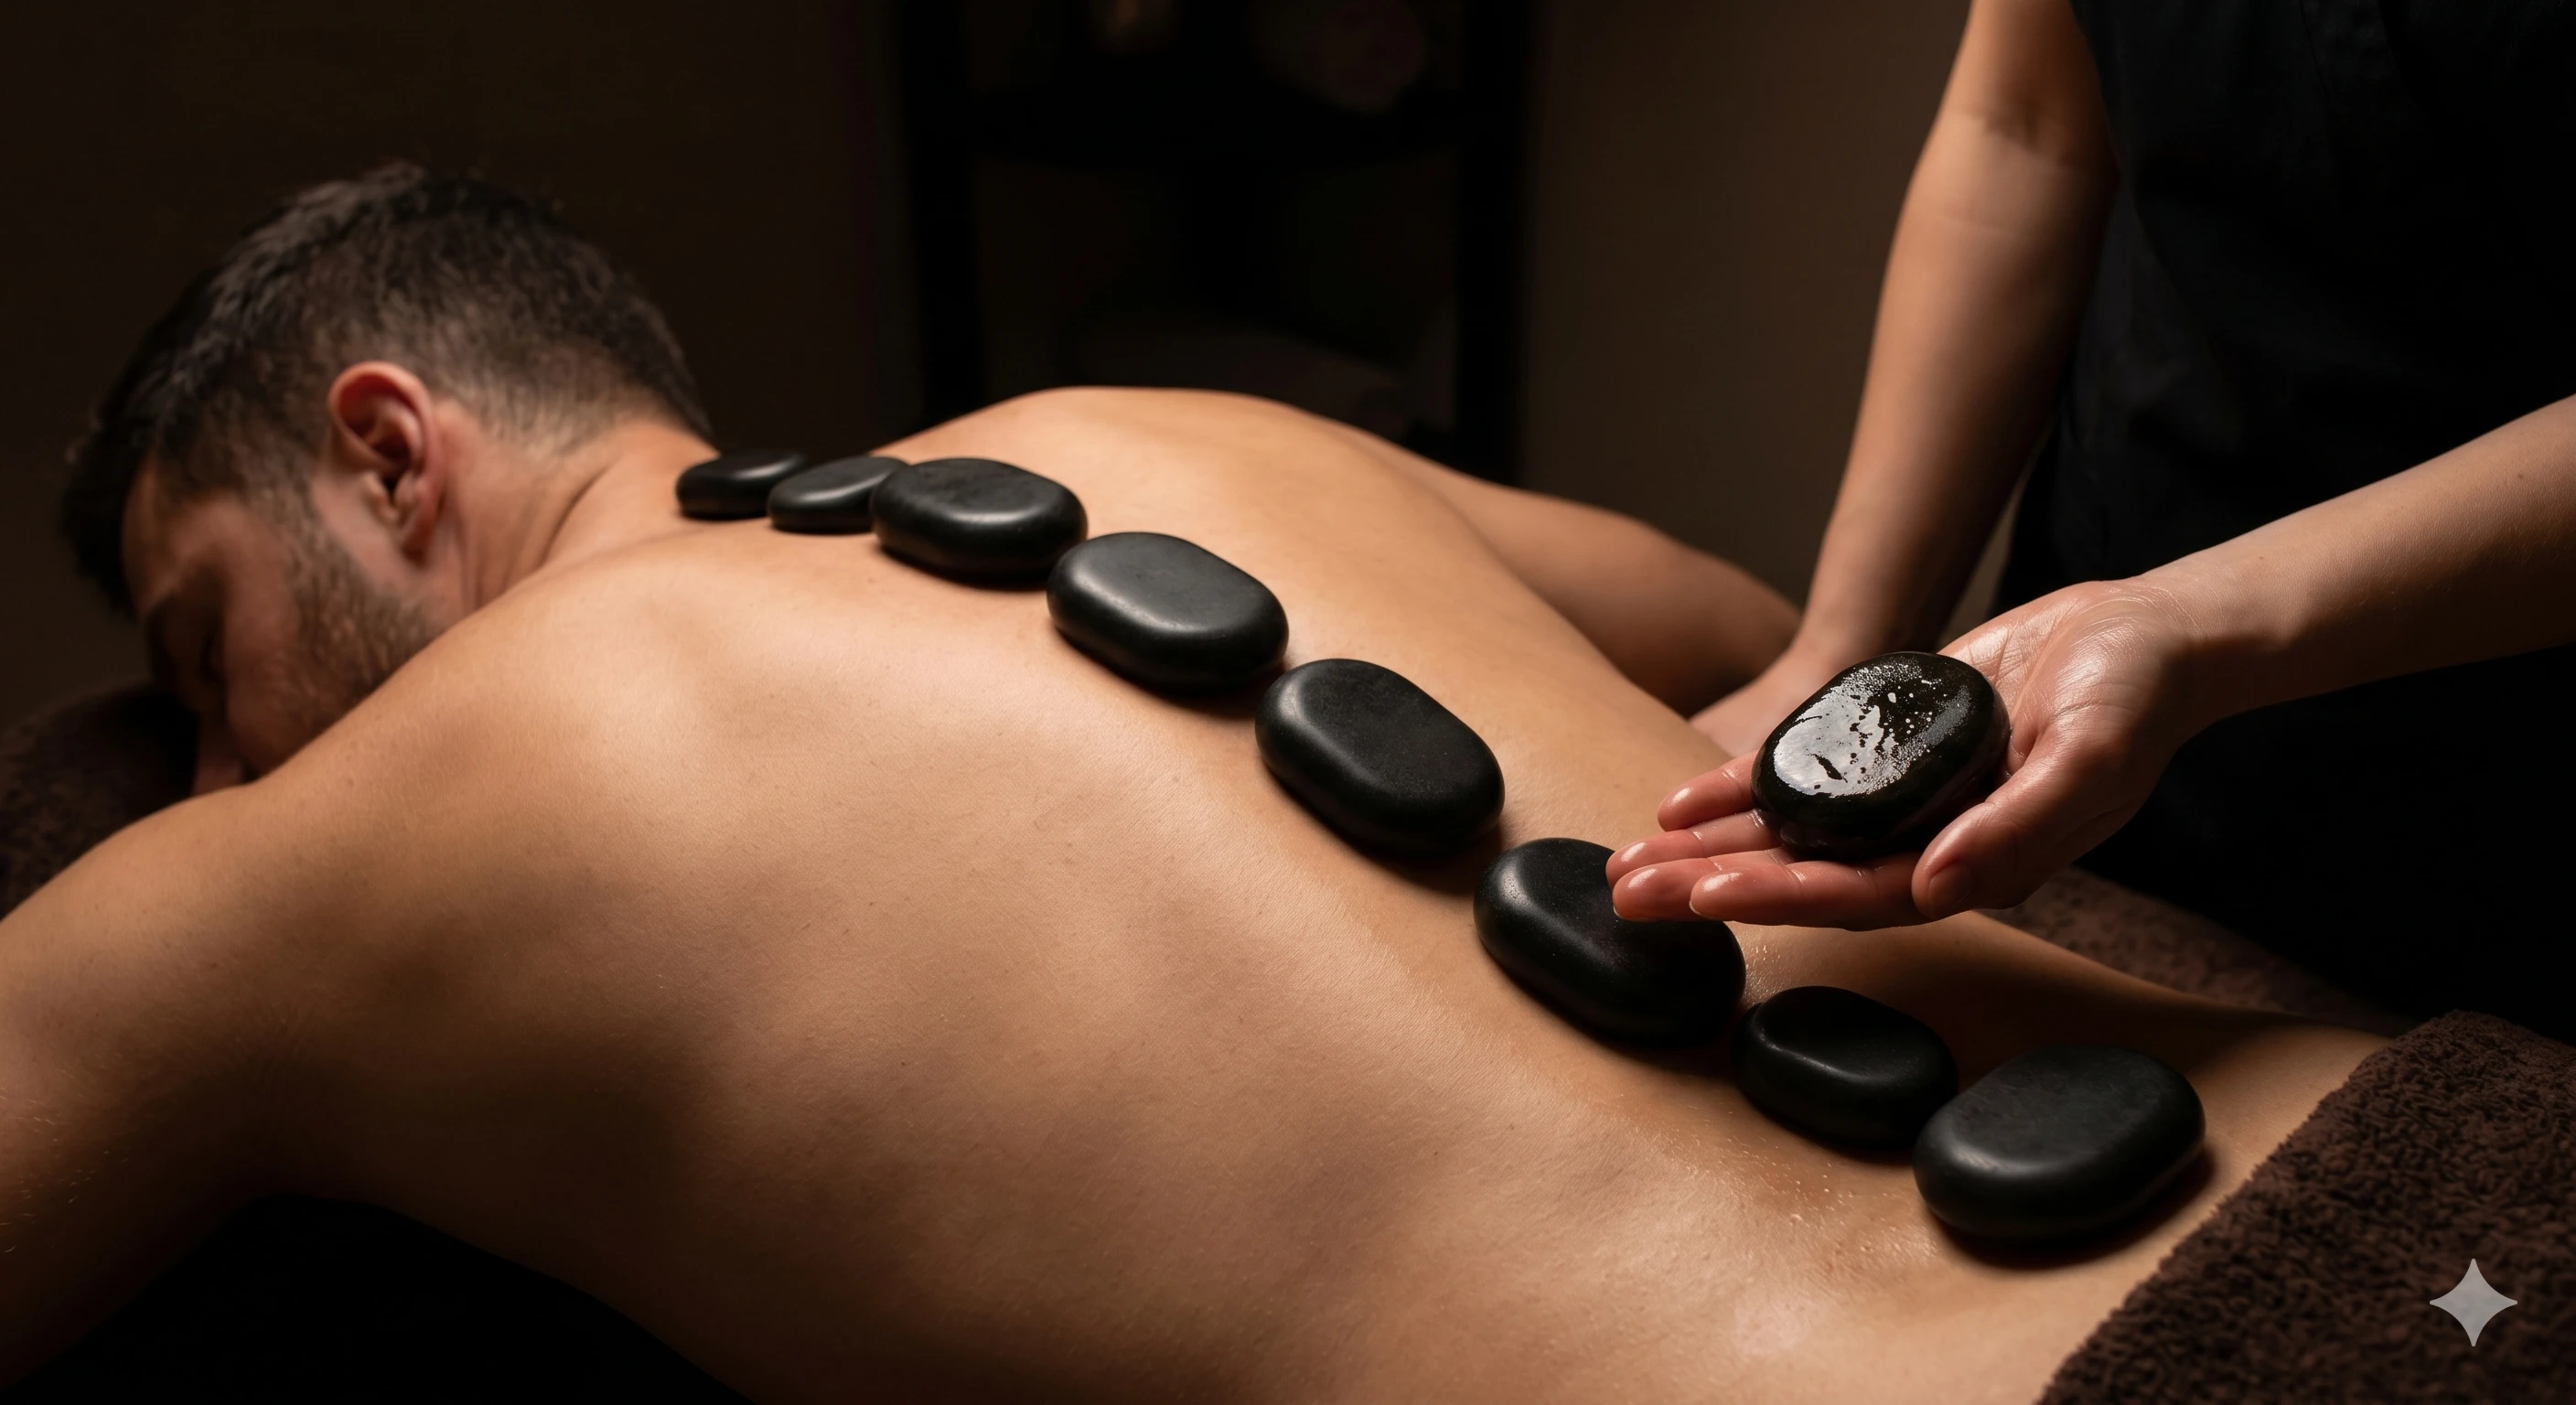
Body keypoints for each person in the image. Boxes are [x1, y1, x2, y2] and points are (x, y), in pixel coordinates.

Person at [0, 167, 2387, 1398]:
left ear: (389, 451)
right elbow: (1717, 623)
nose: (205, 765)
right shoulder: (1173, 437)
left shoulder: (333, 845)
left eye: (204, 648)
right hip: (2420, 1179)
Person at [1608, 0, 2576, 1037]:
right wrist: (1839, 649)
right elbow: (2024, 127)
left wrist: (2186, 623)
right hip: (2093, 607)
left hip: (2511, 772)